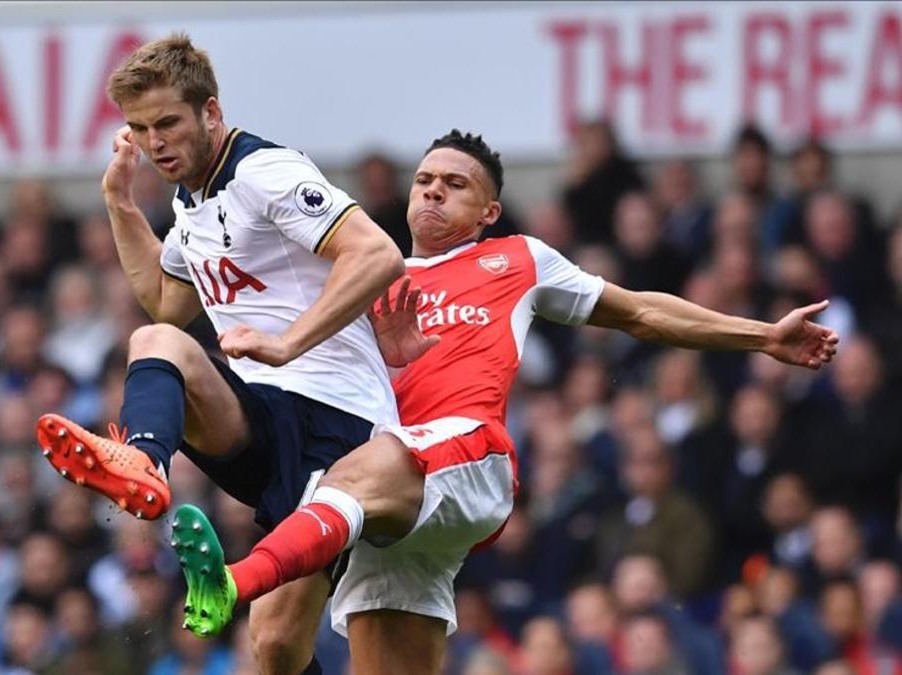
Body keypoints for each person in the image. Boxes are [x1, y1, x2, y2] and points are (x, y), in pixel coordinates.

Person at [171, 130, 840, 674]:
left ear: (488, 211)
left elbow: (638, 312)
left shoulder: (517, 259)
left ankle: (231, 580)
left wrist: (762, 336)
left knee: (348, 482)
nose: (434, 189)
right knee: (272, 642)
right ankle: (252, 590)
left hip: (463, 456)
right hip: (382, 498)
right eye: (425, 179)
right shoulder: (365, 275)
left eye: (455, 184)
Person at [34, 33, 403, 675]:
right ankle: (145, 461)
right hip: (263, 414)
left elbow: (376, 255)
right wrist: (120, 203)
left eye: (169, 123)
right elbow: (167, 302)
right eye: (140, 129)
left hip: (336, 423)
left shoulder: (263, 171)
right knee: (156, 342)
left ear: (211, 112)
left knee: (273, 647)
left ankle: (149, 460)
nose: (155, 143)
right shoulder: (189, 202)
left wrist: (288, 343)